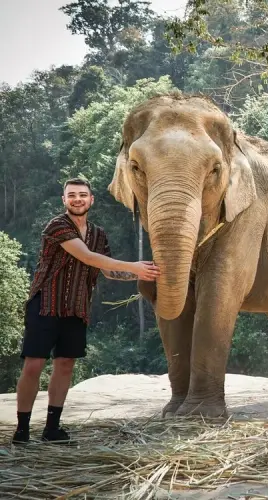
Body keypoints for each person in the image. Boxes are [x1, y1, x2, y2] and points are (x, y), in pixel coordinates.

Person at [12, 178, 160, 445]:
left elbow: (108, 270)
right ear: (64, 200)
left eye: (82, 195)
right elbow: (88, 257)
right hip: (46, 304)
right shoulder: (57, 226)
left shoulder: (98, 234)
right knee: (34, 365)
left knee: (65, 365)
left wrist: (147, 272)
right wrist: (135, 267)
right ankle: (21, 432)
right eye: (72, 195)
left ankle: (52, 429)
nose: (77, 199)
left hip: (77, 308)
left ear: (91, 200)